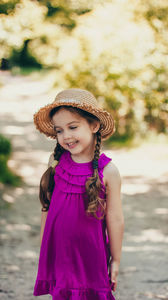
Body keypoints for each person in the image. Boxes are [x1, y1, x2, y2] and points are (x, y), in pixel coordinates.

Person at [33, 88, 124, 300]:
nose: (66, 136)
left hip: (91, 255)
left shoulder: (108, 171)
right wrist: (44, 245)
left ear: (94, 125)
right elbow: (47, 207)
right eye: (59, 131)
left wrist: (116, 260)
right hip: (61, 253)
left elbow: (116, 218)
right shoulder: (56, 163)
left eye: (72, 127)